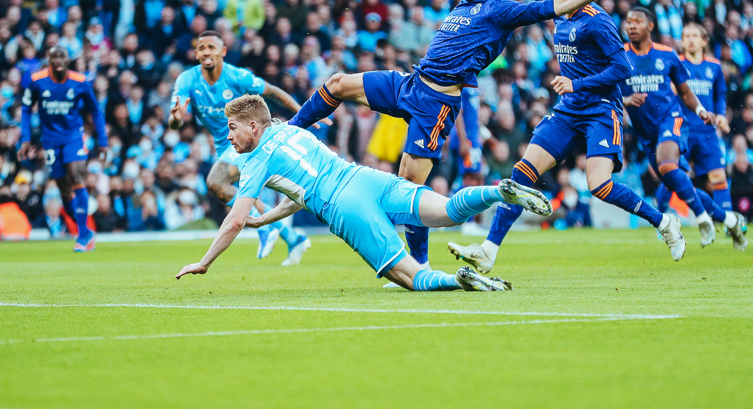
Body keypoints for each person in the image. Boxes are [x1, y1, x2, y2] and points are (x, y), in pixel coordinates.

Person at [289, 0, 623, 269]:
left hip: (434, 105)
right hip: (410, 83)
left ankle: (419, 264)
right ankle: (289, 132)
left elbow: (547, 8)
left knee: (408, 189)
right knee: (337, 83)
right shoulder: (467, 4)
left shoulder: (500, 10)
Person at [176, 95, 553, 291]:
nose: (229, 136)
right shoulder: (292, 131)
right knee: (448, 212)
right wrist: (268, 217)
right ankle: (499, 190)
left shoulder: (255, 160)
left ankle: (457, 280)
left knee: (408, 277)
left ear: (253, 126)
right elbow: (299, 190)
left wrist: (205, 260)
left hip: (345, 206)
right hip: (365, 177)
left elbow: (235, 219)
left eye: (232, 128)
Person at [450, 0, 684, 272]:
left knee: (599, 185)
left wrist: (577, 83)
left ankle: (664, 221)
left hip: (601, 110)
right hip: (568, 111)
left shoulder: (598, 21)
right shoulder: (560, 18)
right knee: (520, 176)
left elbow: (622, 68)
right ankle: (488, 251)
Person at [169, 30, 328, 265]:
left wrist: (305, 112)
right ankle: (293, 239)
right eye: (201, 48)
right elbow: (174, 123)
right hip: (226, 145)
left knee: (216, 182)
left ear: (222, 51)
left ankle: (264, 227)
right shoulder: (187, 80)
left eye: (211, 47)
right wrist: (177, 118)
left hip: (250, 140)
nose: (206, 52)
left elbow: (273, 91)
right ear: (196, 54)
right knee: (236, 190)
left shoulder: (237, 76)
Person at [621, 9, 745, 251]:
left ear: (651, 25)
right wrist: (625, 101)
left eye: (638, 21)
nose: (632, 26)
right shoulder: (620, 56)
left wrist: (712, 114)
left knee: (689, 172)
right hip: (647, 132)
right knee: (676, 181)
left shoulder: (700, 63)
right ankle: (730, 220)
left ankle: (688, 219)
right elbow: (609, 87)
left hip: (679, 124)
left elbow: (710, 94)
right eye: (628, 22)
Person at [654, 23, 740, 248]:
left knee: (718, 178)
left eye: (695, 36)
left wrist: (720, 115)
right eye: (686, 36)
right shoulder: (675, 63)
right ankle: (661, 220)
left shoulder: (714, 66)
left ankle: (730, 224)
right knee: (672, 175)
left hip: (706, 132)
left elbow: (720, 94)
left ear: (704, 41)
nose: (690, 40)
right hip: (680, 128)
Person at [19, 46, 107, 252]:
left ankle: (83, 234)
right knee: (63, 189)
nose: (58, 59)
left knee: (76, 175)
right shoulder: (36, 80)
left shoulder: (80, 81)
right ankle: (83, 231)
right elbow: (25, 109)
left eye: (62, 56)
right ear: (48, 59)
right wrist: (25, 138)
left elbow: (95, 110)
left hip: (73, 137)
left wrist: (102, 140)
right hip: (50, 140)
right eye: (54, 56)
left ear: (69, 60)